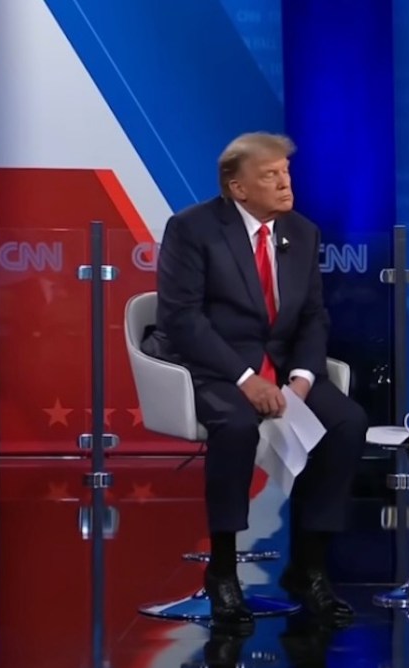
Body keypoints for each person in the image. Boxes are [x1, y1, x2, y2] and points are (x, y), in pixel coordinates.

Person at [143, 132, 368, 629]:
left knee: (348, 422)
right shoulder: (192, 229)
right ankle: (222, 572)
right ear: (237, 187)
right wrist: (245, 378)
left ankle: (308, 568)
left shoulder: (302, 232)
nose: (285, 183)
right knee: (237, 425)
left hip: (286, 369)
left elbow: (313, 317)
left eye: (287, 172)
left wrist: (305, 380)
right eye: (271, 175)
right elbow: (181, 319)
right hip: (216, 365)